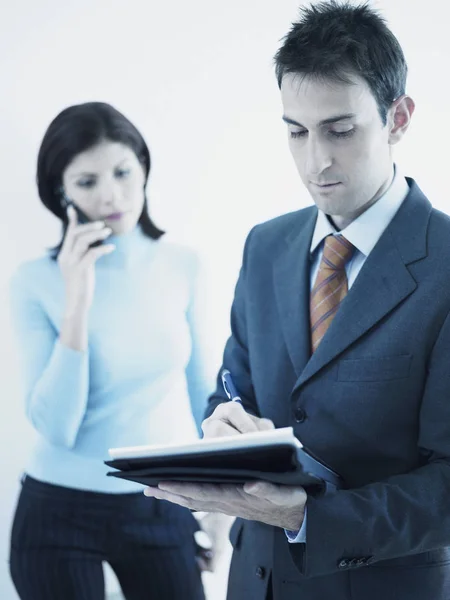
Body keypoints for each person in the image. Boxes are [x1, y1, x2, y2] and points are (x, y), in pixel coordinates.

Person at [142, 2, 450, 599]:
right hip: (255, 582)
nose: (317, 160)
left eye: (340, 130)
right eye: (296, 131)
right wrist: (222, 427)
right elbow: (234, 387)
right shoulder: (267, 245)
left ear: (398, 117)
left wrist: (301, 515)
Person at [9, 101, 214, 600]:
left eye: (123, 172)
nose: (112, 195)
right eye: (87, 182)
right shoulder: (34, 281)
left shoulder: (183, 265)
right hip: (57, 511)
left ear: (143, 165)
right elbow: (58, 426)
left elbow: (203, 395)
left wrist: (219, 506)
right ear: (61, 192)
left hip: (159, 500)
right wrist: (76, 299)